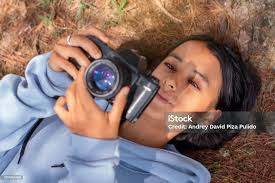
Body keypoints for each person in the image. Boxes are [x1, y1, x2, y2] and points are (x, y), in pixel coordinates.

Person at [0, 27, 260, 183]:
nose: (171, 82)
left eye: (193, 83)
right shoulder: (78, 98)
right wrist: (43, 84)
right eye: (170, 65)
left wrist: (93, 152)